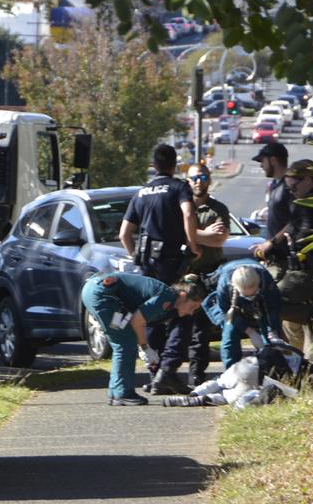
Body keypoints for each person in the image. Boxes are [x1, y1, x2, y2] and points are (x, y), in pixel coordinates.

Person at [119, 144, 202, 394]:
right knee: (183, 313)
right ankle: (168, 372)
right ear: (174, 165)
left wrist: (136, 255)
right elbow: (188, 214)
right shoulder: (179, 187)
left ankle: (155, 374)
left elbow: (125, 233)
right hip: (170, 261)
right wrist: (193, 245)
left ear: (154, 166)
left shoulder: (141, 193)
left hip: (146, 264)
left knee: (152, 317)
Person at [80, 272, 208, 406]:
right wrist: (145, 348)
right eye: (192, 307)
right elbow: (137, 321)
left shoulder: (168, 299)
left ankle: (116, 392)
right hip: (103, 294)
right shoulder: (167, 297)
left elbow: (135, 318)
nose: (191, 312)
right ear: (183, 296)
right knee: (125, 343)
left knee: (123, 342)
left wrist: (144, 347)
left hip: (97, 290)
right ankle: (122, 394)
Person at [169, 162, 231, 386]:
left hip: (211, 273)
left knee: (203, 329)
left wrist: (191, 235)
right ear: (187, 180)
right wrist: (204, 233)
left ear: (209, 180)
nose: (199, 182)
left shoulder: (218, 209)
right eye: (195, 178)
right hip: (185, 276)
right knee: (180, 326)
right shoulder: (180, 207)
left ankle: (197, 375)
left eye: (203, 178)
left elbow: (220, 238)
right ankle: (169, 372)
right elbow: (176, 236)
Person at [270, 159, 313, 363]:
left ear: (310, 178)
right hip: (301, 267)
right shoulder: (303, 201)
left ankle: (311, 314)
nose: (292, 191)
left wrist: (295, 242)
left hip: (309, 270)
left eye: (295, 186)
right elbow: (294, 227)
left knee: (268, 299)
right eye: (289, 188)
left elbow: (307, 233)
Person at [203, 261, 284, 370]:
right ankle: (232, 373)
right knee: (229, 338)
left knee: (270, 342)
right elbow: (226, 312)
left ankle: (271, 371)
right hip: (232, 308)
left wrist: (272, 332)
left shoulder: (266, 279)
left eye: (252, 291)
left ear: (258, 283)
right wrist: (250, 331)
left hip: (261, 303)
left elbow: (272, 308)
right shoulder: (224, 285)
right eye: (246, 293)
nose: (250, 295)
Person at [250, 141, 292, 266]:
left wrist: (271, 242)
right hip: (274, 257)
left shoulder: (290, 186)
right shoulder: (274, 185)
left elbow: (295, 221)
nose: (261, 166)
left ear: (273, 160)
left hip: (286, 257)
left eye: (263, 161)